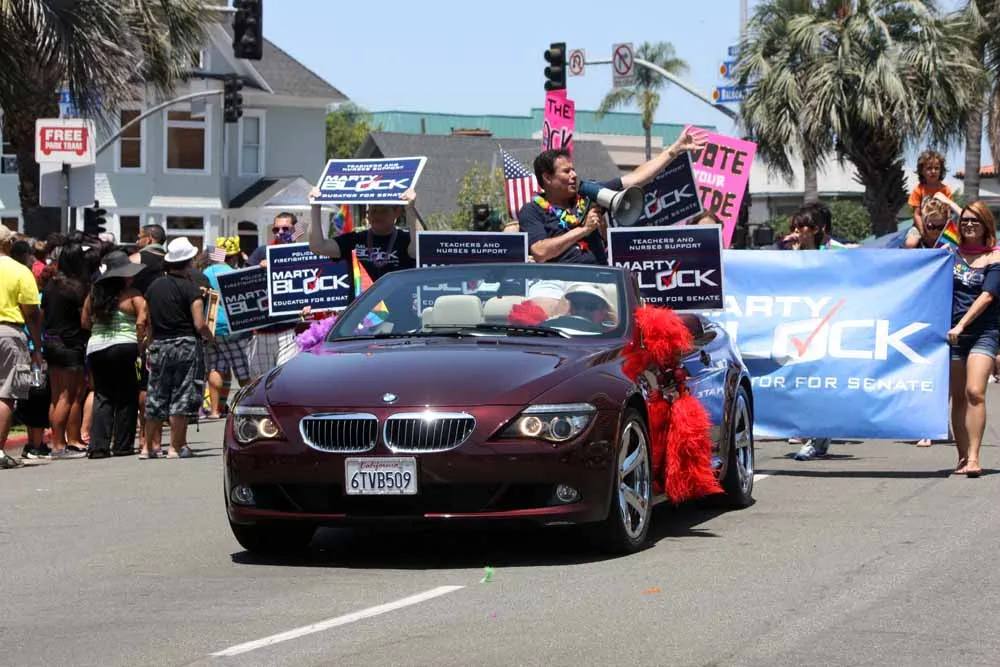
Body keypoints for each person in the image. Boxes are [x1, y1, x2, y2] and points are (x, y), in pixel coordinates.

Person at [517, 129, 708, 264]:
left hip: (599, 278)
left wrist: (673, 151)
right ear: (547, 178)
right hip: (557, 282)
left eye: (573, 169)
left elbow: (637, 178)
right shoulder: (532, 210)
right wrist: (584, 230)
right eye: (566, 172)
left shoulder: (589, 192)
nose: (574, 175)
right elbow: (540, 252)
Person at [142, 237, 213, 459]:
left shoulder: (153, 287)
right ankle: (176, 446)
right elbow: (199, 323)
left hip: (159, 344)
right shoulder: (191, 289)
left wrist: (148, 344)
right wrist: (210, 337)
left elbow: (146, 320)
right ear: (189, 262)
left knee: (156, 394)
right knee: (181, 395)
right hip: (185, 344)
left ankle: (148, 447)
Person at [947, 201, 1000, 477]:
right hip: (953, 335)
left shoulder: (995, 258)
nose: (968, 224)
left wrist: (962, 324)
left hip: (984, 333)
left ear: (985, 225)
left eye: (975, 220)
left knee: (974, 392)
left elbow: (988, 296)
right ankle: (962, 456)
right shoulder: (950, 256)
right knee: (957, 397)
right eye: (965, 220)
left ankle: (975, 458)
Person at [81, 251, 147, 458]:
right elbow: (142, 322)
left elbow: (85, 322)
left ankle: (98, 447)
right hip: (125, 347)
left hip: (97, 348)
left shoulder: (93, 295)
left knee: (103, 395)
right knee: (127, 395)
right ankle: (122, 445)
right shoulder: (133, 295)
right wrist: (141, 347)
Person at [0, 226, 43, 469]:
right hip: (9, 332)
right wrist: (36, 347)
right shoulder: (19, 271)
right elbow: (32, 313)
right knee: (6, 393)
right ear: (8, 244)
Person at [307, 188, 421, 280]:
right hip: (362, 302)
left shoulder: (405, 239)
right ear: (367, 214)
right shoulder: (354, 239)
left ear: (397, 212)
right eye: (374, 211)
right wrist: (315, 206)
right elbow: (318, 247)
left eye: (383, 211)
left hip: (396, 301)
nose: (378, 216)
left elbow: (421, 248)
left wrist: (410, 208)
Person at [245, 212, 304, 377]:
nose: (280, 232)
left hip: (289, 329)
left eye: (285, 228)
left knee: (286, 378)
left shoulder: (303, 253)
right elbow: (243, 283)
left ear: (295, 230)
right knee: (262, 381)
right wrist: (257, 269)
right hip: (262, 330)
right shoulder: (261, 252)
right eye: (276, 229)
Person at [201, 237, 251, 418]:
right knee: (242, 369)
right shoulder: (235, 273)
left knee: (215, 367)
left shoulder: (205, 273)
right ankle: (249, 406)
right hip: (232, 327)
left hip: (210, 327)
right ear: (234, 256)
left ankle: (215, 411)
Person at [909, 149, 952, 238]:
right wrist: (923, 233)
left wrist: (943, 231)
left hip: (939, 227)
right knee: (911, 243)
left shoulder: (945, 190)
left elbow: (948, 215)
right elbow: (917, 215)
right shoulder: (918, 190)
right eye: (929, 168)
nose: (933, 171)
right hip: (921, 226)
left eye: (936, 168)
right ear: (922, 171)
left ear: (941, 170)